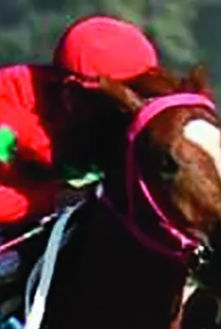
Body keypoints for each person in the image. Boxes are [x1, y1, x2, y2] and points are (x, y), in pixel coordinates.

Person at [0, 15, 158, 230]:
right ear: (71, 94)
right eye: (117, 101)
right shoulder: (8, 109)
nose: (129, 112)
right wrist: (54, 200)